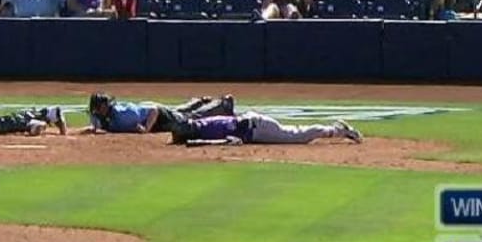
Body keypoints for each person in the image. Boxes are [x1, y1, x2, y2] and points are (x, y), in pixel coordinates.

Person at [171, 110, 362, 145]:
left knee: (297, 136)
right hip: (254, 124)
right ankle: (337, 130)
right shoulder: (204, 123)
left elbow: (231, 137)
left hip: (257, 127)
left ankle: (339, 130)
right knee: (296, 133)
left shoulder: (206, 129)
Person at [81, 92, 236, 134]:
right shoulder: (105, 116)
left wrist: (147, 129)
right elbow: (99, 124)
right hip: (148, 110)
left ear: (104, 107)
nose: (95, 111)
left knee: (187, 119)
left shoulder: (123, 114)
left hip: (156, 115)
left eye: (97, 107)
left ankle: (223, 104)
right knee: (178, 112)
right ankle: (199, 101)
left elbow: (153, 111)